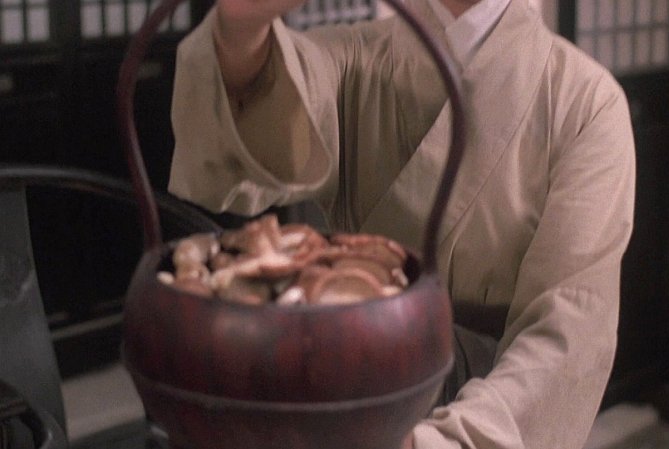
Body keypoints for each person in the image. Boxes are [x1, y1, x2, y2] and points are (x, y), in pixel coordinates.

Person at [167, 0, 636, 446]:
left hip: (487, 414)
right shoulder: (356, 59)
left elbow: (567, 331)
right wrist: (242, 34)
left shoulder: (585, 104)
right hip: (338, 395)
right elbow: (271, 91)